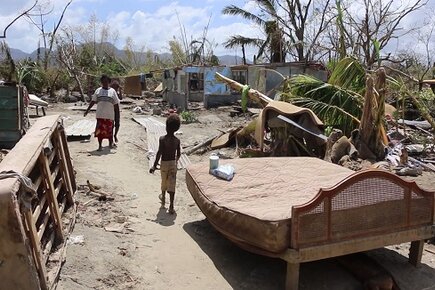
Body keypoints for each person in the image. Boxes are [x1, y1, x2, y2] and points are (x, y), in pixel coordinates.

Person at [149, 114, 181, 214]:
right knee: (172, 184)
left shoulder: (162, 139)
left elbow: (159, 152)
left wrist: (154, 165)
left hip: (164, 163)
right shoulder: (177, 141)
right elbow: (178, 154)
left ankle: (163, 201)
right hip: (172, 164)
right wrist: (175, 162)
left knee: (164, 182)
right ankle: (171, 205)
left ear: (166, 127)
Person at [84, 75, 120, 151]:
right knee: (100, 132)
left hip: (110, 116)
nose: (105, 83)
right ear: (101, 82)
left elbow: (116, 104)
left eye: (106, 82)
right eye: (103, 82)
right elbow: (93, 101)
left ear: (109, 82)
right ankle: (100, 146)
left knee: (109, 131)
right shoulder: (98, 91)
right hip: (100, 115)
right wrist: (87, 110)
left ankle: (110, 144)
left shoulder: (112, 92)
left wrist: (117, 115)